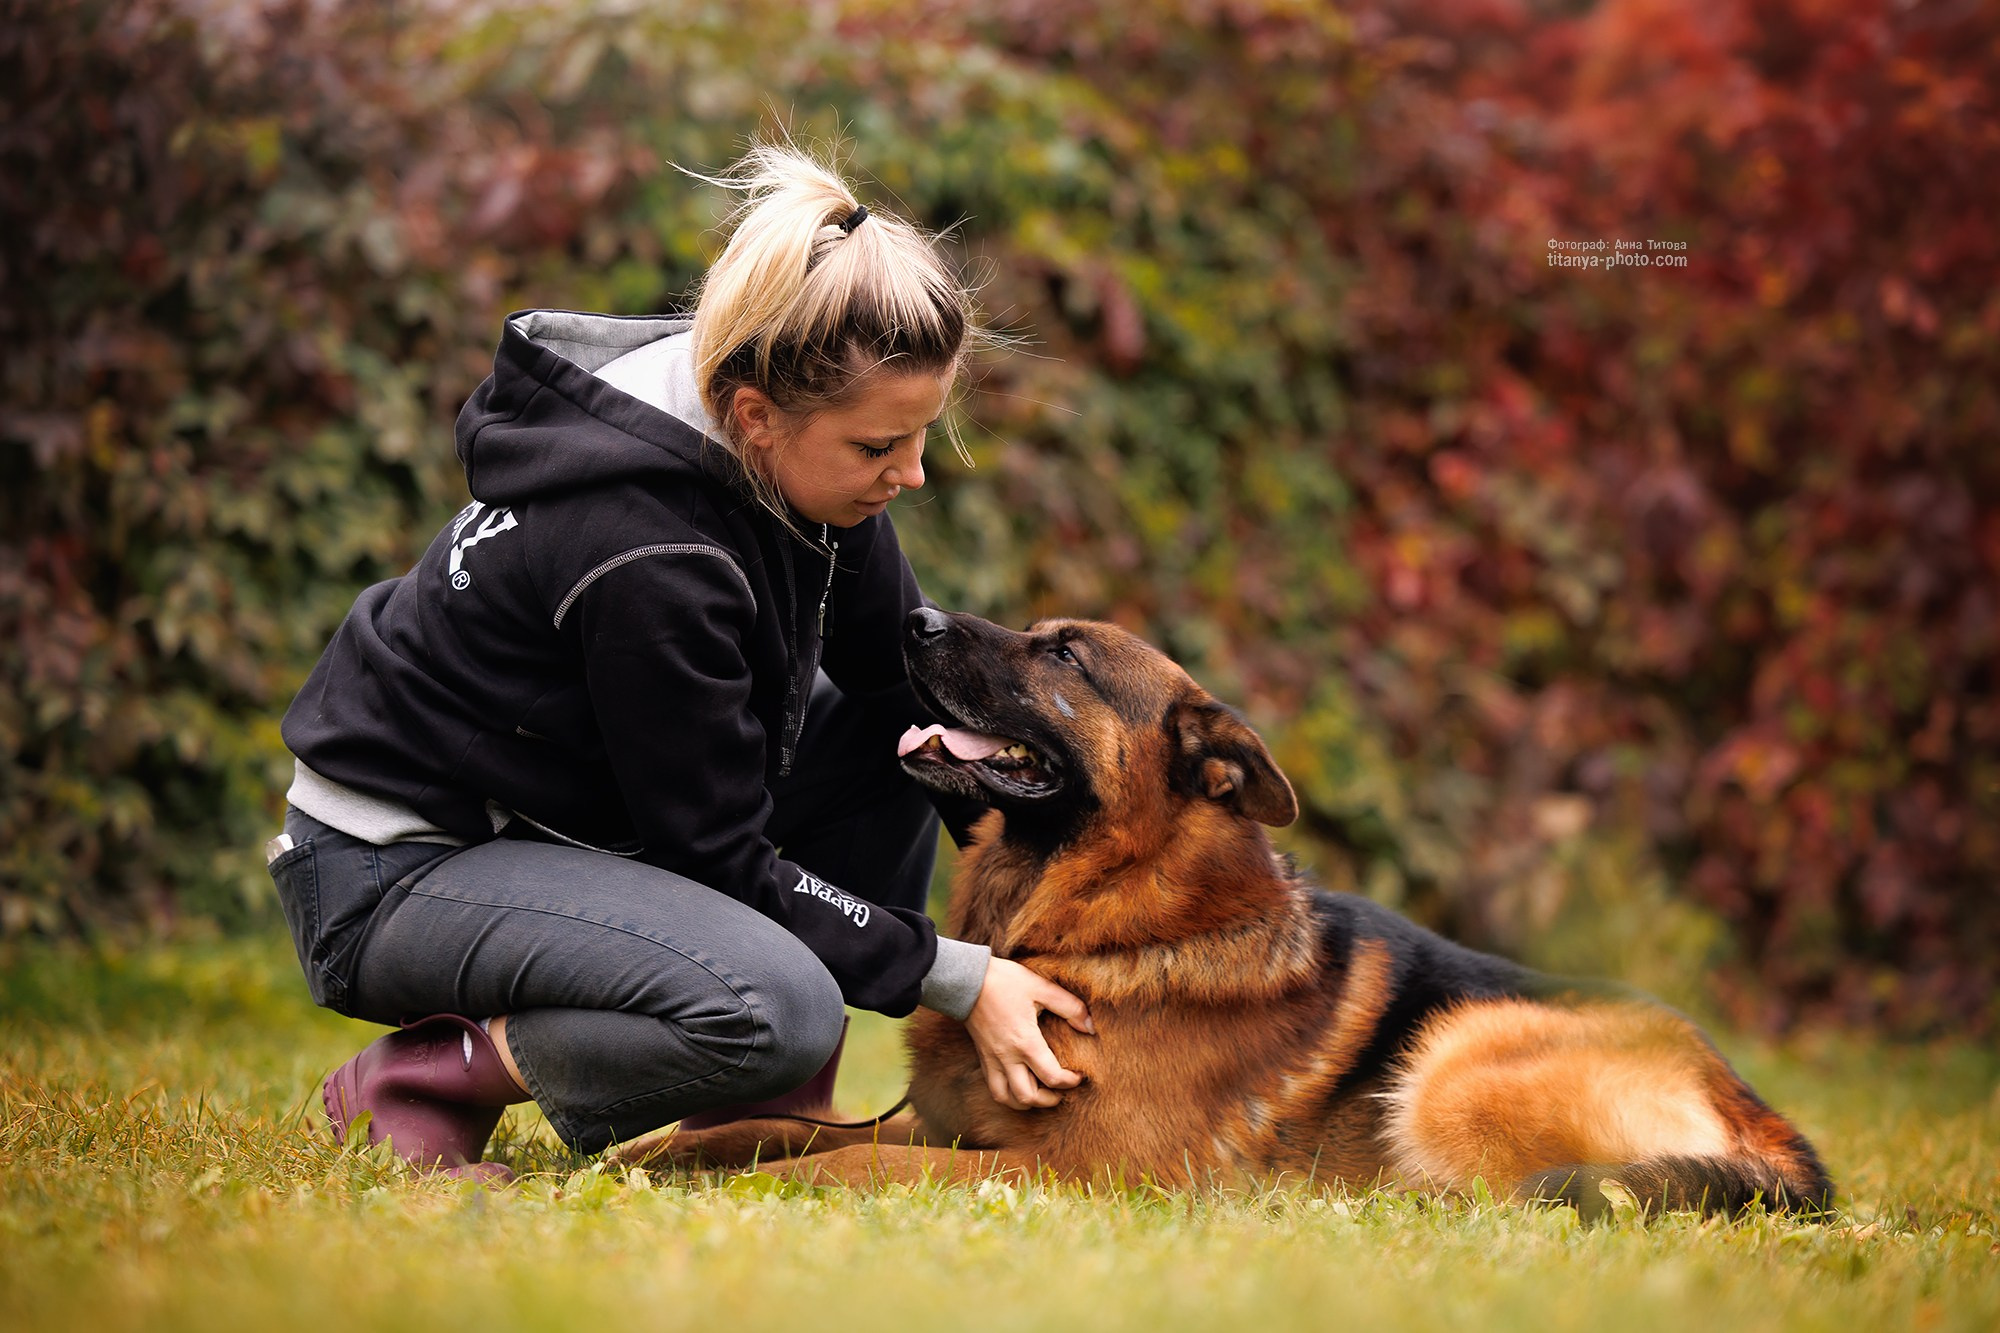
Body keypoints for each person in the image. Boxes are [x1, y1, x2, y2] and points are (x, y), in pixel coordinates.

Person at [266, 145, 1092, 1181]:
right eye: (879, 446)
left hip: (572, 827)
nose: (911, 473)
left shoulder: (786, 438)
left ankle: (767, 1100)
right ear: (754, 418)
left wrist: (1057, 923)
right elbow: (717, 851)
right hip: (398, 866)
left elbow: (898, 682)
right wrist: (958, 978)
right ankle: (430, 1078)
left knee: (910, 743)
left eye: (919, 435)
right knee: (772, 1005)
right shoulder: (644, 552)